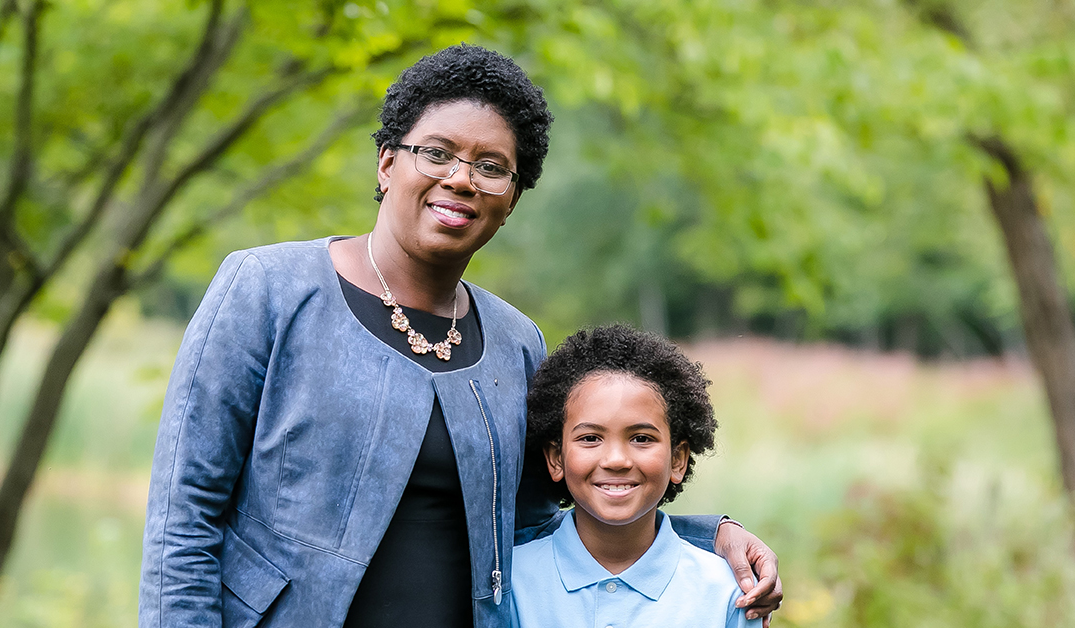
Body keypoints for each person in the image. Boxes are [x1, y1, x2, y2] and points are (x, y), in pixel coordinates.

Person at [138, 44, 781, 628]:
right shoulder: (267, 289)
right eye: (437, 152)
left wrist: (708, 535)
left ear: (512, 199)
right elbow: (183, 514)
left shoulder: (516, 343)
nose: (462, 179)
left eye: (492, 166)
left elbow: (551, 523)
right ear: (388, 163)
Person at [513, 324, 758, 628]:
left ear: (678, 460)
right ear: (556, 458)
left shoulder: (727, 594)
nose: (616, 460)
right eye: (590, 438)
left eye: (641, 438)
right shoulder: (509, 584)